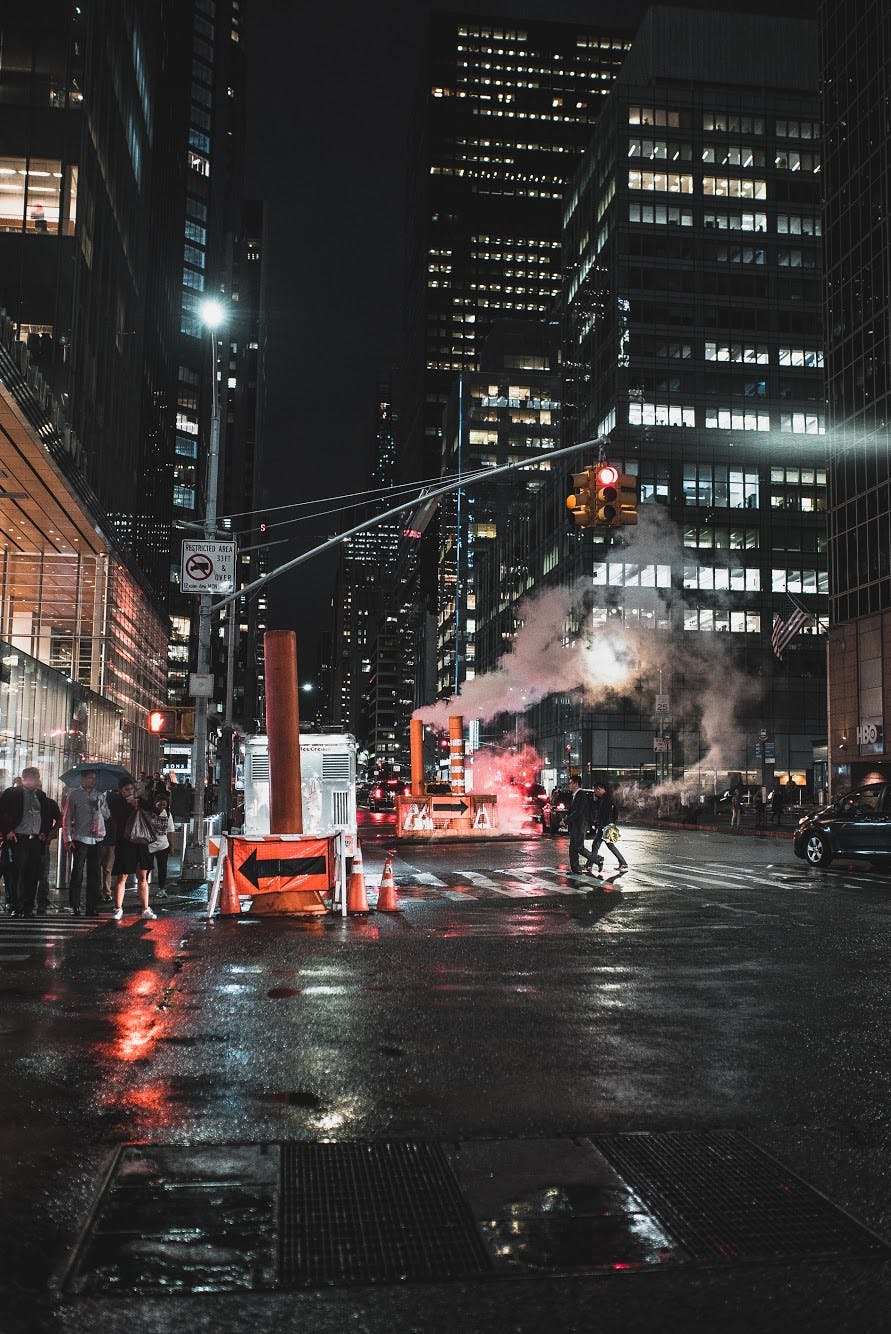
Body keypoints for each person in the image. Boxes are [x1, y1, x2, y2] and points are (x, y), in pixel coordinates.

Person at [0, 767, 62, 917]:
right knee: (17, 873)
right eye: (32, 778)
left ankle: (28, 906)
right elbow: (1, 813)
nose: (35, 781)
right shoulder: (12, 793)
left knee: (32, 873)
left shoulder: (40, 795)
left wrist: (45, 833)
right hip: (19, 838)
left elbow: (46, 815)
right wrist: (7, 830)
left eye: (36, 778)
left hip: (35, 840)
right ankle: (16, 904)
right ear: (24, 778)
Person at [107, 777, 156, 921]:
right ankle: (118, 908)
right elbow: (117, 818)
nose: (129, 792)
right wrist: (131, 806)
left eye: (131, 789)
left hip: (140, 842)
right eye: (126, 789)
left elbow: (153, 809)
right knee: (122, 877)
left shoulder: (140, 801)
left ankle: (145, 908)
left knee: (143, 877)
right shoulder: (116, 804)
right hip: (125, 843)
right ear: (120, 791)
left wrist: (138, 803)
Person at [63, 768, 110, 916]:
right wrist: (68, 838)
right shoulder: (74, 794)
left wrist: (100, 805)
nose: (93, 780)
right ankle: (75, 905)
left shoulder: (100, 795)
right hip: (80, 837)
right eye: (90, 778)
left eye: (94, 778)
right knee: (77, 872)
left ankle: (92, 906)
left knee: (94, 873)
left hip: (97, 838)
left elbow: (107, 815)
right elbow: (67, 816)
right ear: (83, 779)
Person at [589, 782, 629, 874]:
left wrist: (607, 824)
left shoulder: (607, 799)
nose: (595, 792)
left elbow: (608, 813)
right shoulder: (605, 798)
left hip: (605, 826)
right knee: (606, 845)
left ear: (599, 789)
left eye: (595, 790)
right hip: (606, 825)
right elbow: (615, 812)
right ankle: (622, 862)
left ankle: (589, 865)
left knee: (596, 845)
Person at [567, 775, 598, 875]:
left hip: (580, 826)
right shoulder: (575, 795)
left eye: (570, 783)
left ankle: (598, 859)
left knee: (579, 848)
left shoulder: (581, 795)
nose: (569, 785)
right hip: (575, 826)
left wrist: (566, 820)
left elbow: (578, 812)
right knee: (572, 848)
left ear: (576, 784)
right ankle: (575, 869)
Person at [147, 790, 175, 898]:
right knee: (147, 868)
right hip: (149, 845)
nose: (162, 806)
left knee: (162, 868)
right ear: (155, 803)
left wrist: (171, 846)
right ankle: (144, 887)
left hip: (163, 845)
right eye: (160, 804)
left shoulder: (167, 814)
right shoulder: (149, 813)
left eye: (164, 804)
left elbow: (170, 831)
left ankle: (162, 889)